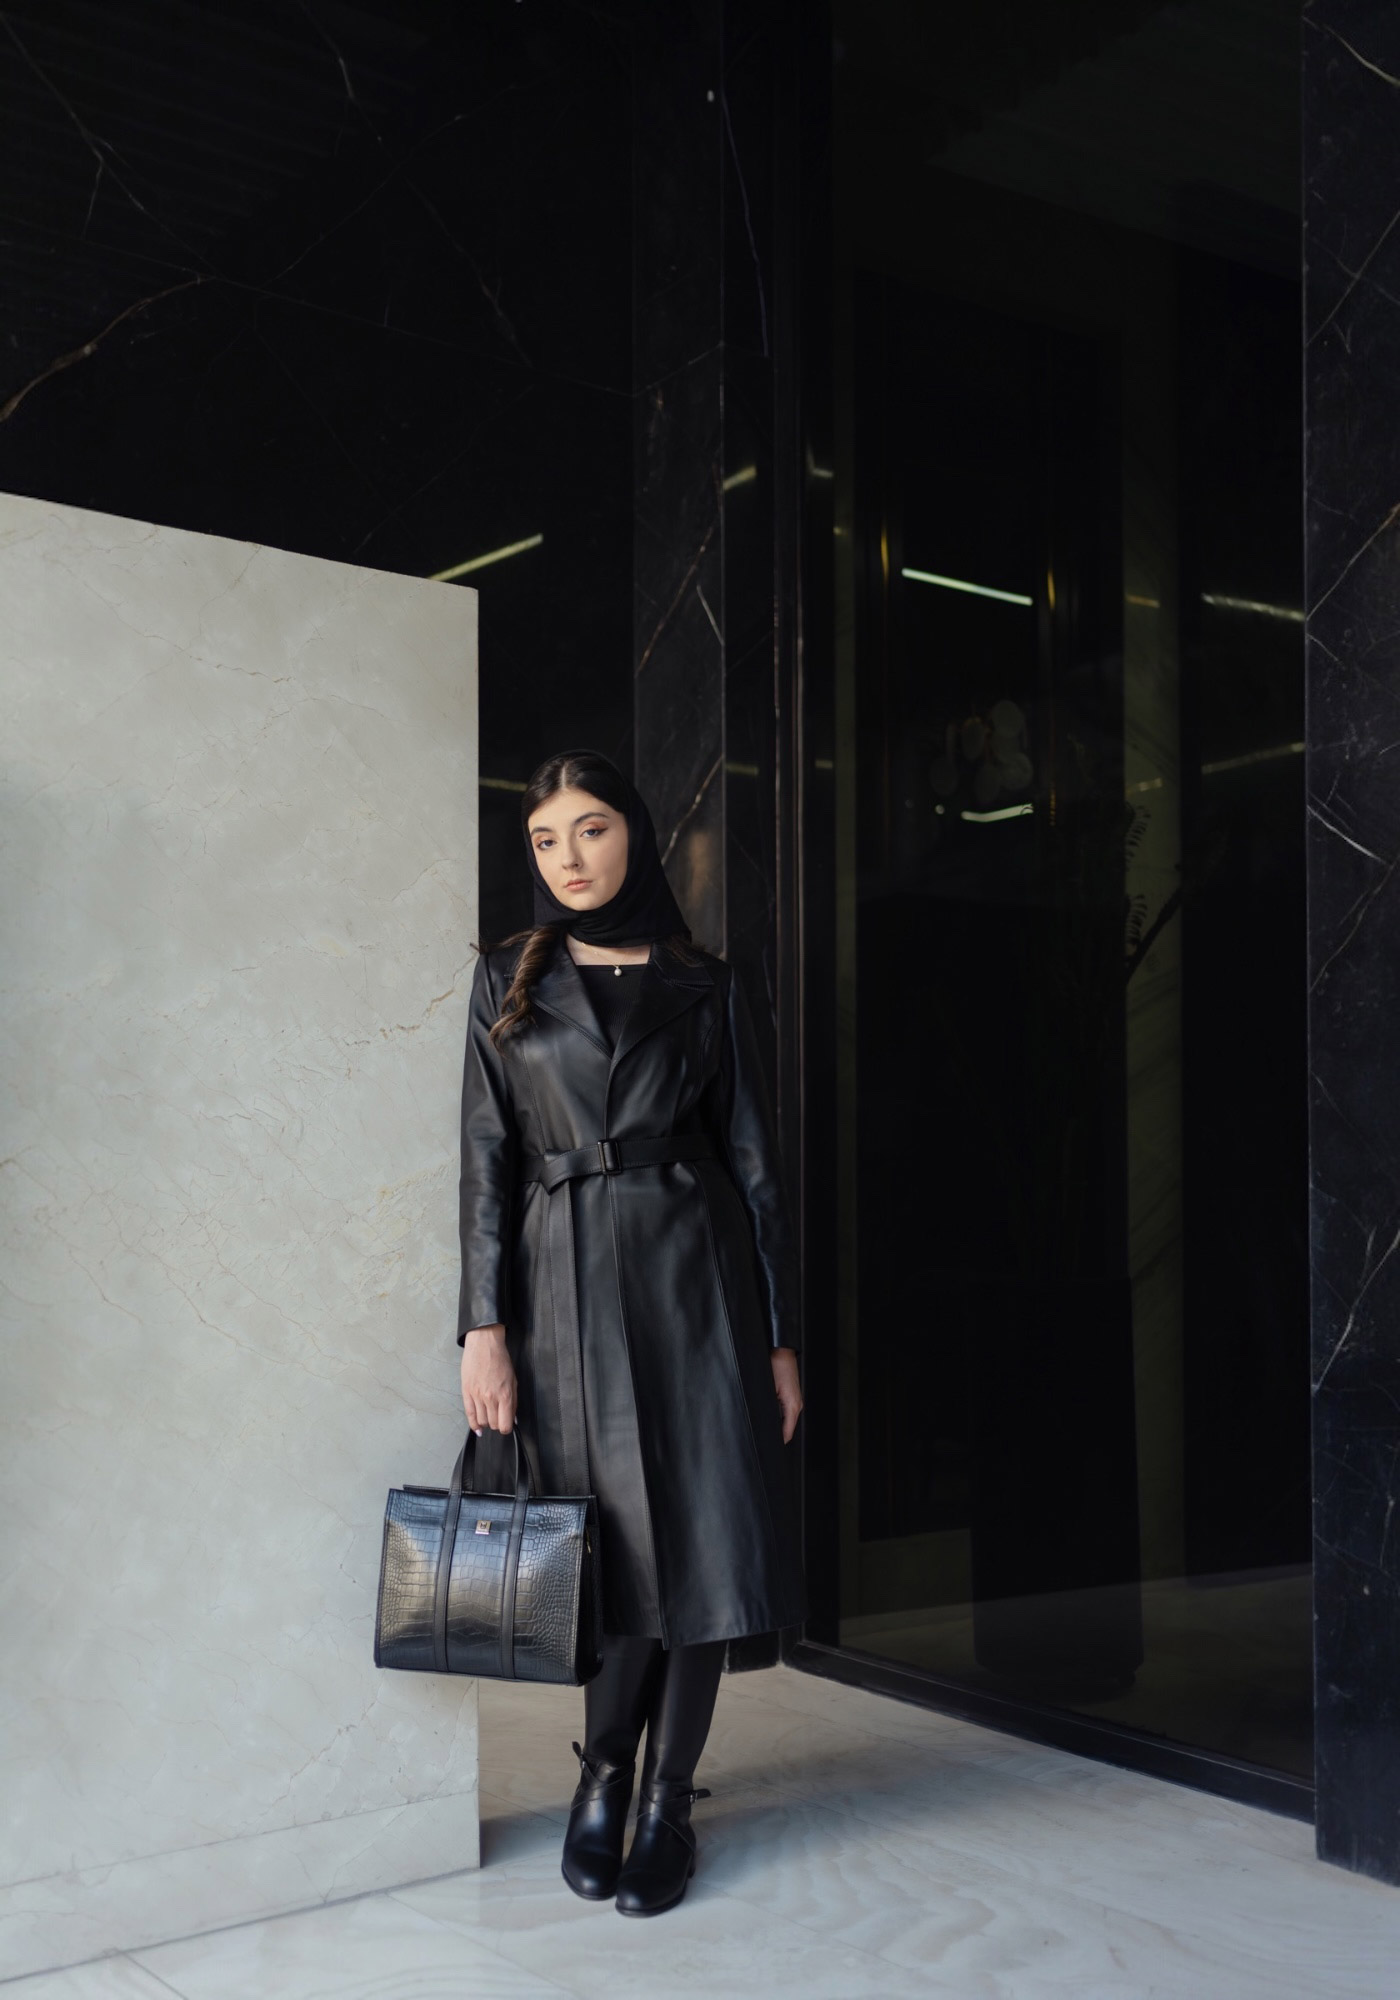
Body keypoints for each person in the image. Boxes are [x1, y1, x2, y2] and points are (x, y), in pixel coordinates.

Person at [456, 747, 806, 1917]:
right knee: (602, 1543)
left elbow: (754, 1163)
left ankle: (666, 1799)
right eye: (545, 839)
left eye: (591, 829)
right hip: (559, 1285)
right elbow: (484, 1159)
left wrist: (778, 1337)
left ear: (637, 835)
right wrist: (481, 1324)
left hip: (697, 1278)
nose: (569, 857)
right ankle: (602, 1773)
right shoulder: (505, 975)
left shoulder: (705, 980)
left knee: (705, 1533)